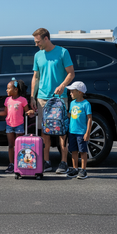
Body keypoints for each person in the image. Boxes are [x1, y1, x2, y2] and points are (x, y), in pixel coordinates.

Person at [30, 28, 75, 174]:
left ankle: (63, 162)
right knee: (45, 132)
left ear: (46, 39)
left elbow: (71, 73)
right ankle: (46, 162)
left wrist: (62, 86)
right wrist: (32, 96)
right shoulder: (38, 55)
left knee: (62, 131)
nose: (37, 45)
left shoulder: (63, 52)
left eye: (38, 42)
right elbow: (36, 77)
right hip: (42, 98)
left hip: (59, 99)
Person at [0, 78, 34, 173]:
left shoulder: (22, 100)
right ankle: (11, 164)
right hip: (9, 125)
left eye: (8, 88)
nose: (6, 90)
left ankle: (20, 163)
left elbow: (27, 112)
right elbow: (5, 112)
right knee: (11, 145)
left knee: (19, 146)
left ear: (16, 90)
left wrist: (30, 112)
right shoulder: (7, 100)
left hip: (19, 125)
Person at [65, 81, 92, 180]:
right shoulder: (72, 103)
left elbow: (89, 118)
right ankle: (75, 168)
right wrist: (62, 112)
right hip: (72, 132)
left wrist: (87, 132)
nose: (70, 93)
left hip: (81, 132)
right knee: (73, 151)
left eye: (72, 91)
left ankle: (83, 170)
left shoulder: (86, 104)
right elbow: (71, 115)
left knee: (83, 151)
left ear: (80, 92)